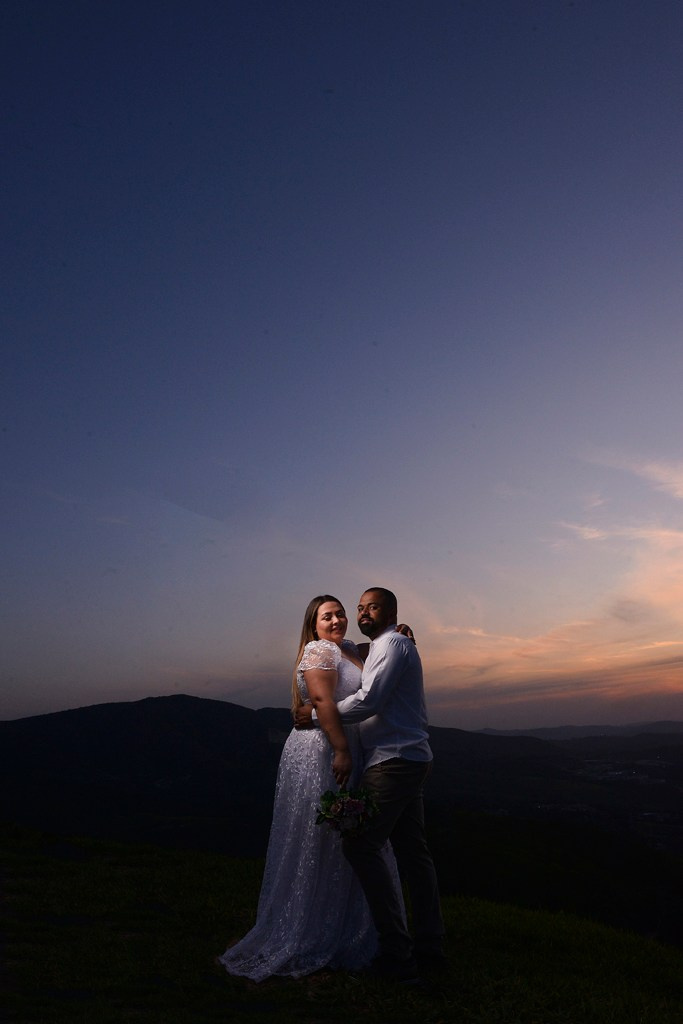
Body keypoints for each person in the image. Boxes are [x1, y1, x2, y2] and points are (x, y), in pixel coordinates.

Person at [218, 594, 403, 981]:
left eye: (339, 614)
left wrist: (399, 632)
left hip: (346, 745)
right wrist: (340, 750)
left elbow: (370, 649)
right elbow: (321, 699)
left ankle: (346, 928)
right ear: (313, 625)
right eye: (326, 617)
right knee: (318, 835)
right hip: (322, 748)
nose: (336, 621)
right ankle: (307, 928)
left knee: (345, 838)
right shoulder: (320, 650)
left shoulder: (347, 648)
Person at [296, 587, 446, 983]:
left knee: (361, 844)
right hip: (403, 757)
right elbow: (348, 650)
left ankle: (399, 956)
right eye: (358, 608)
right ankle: (430, 948)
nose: (360, 614)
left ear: (391, 612)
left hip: (394, 760)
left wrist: (313, 717)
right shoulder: (377, 645)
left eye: (370, 607)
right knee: (414, 854)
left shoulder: (392, 644)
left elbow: (369, 700)